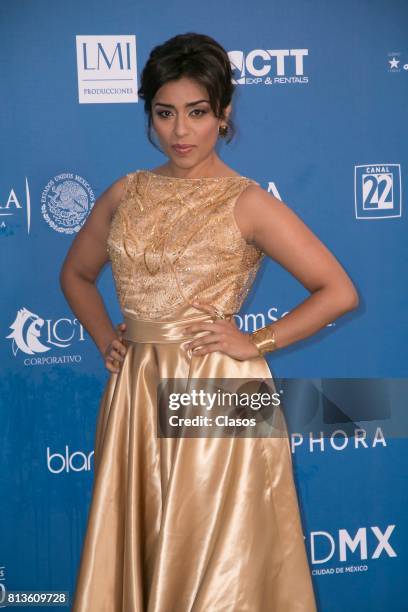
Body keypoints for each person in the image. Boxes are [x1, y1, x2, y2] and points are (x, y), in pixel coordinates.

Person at [61, 32, 358, 612]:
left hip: (218, 389)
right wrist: (106, 337)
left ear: (223, 115)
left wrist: (256, 341)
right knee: (142, 545)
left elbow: (338, 291)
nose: (180, 131)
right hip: (137, 392)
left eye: (197, 113)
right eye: (165, 112)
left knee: (217, 561)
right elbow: (76, 274)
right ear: (148, 113)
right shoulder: (127, 192)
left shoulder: (247, 201)